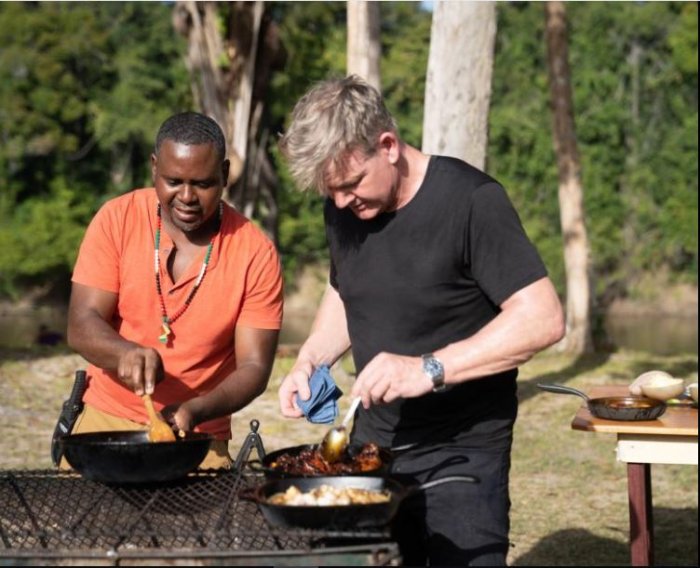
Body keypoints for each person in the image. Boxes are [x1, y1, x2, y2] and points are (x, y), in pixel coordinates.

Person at [277, 76, 565, 566]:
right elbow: (346, 290)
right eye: (332, 191)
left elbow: (542, 318)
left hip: (462, 450)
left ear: (388, 145)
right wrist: (310, 359)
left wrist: (428, 368)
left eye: (351, 185)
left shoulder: (472, 200)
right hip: (371, 448)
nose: (342, 202)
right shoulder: (344, 208)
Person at [65, 111, 283, 469]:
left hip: (198, 438)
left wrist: (196, 410)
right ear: (154, 168)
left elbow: (255, 367)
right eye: (173, 181)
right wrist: (123, 353)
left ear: (225, 175)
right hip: (106, 422)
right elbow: (81, 322)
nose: (186, 196)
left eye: (203, 183)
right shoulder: (116, 218)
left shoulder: (256, 253)